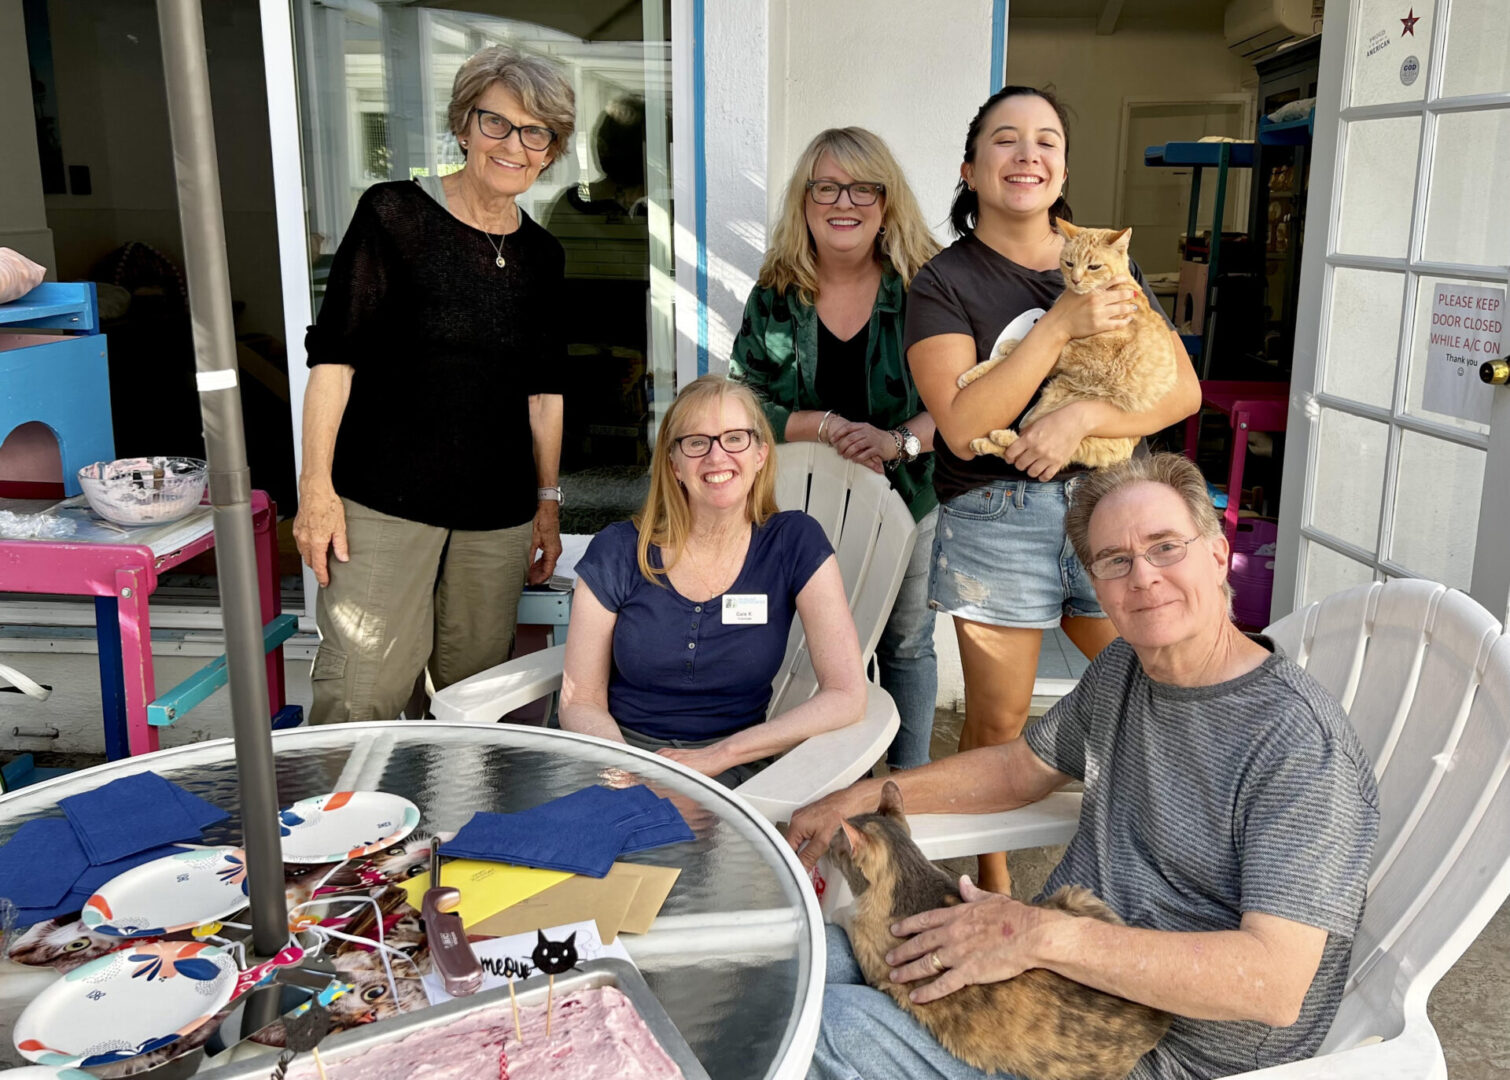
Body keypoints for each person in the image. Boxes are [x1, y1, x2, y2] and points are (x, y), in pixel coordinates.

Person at [790, 452, 1379, 1080]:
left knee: (828, 1026)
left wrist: (1039, 936)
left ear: (1216, 555)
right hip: (1049, 986)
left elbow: (1272, 983)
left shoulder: (1300, 749)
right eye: (1115, 561)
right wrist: (861, 797)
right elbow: (1019, 770)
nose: (1143, 577)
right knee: (803, 962)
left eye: (1165, 547)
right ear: (1095, 583)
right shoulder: (1126, 669)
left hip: (1148, 1053)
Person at [903, 86, 1201, 892]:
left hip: (1113, 505)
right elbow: (964, 426)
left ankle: (1152, 867)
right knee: (1001, 722)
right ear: (970, 168)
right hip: (997, 515)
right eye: (1005, 140)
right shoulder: (942, 283)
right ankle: (988, 886)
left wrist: (1087, 417)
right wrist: (1062, 324)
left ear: (1062, 166)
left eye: (1046, 141)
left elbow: (1182, 395)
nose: (1027, 154)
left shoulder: (1111, 263)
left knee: (1161, 689)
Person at [293, 46, 574, 724]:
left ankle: (448, 830)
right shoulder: (395, 216)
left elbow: (544, 394)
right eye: (496, 123)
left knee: (475, 706)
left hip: (497, 518)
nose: (514, 145)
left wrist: (547, 504)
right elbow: (334, 361)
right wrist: (315, 490)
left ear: (551, 151)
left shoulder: (543, 255)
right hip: (383, 503)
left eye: (535, 132)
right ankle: (341, 832)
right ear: (463, 124)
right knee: (362, 692)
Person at [730, 127, 942, 770]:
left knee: (905, 644)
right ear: (805, 198)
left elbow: (965, 398)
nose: (843, 202)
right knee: (807, 640)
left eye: (862, 187)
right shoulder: (777, 289)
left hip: (910, 491)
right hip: (801, 506)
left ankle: (905, 794)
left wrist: (897, 441)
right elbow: (741, 400)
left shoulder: (924, 286)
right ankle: (812, 777)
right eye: (826, 186)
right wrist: (819, 426)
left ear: (887, 200)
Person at [560, 375, 867, 788]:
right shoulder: (618, 550)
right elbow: (581, 701)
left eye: (735, 438)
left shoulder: (793, 541)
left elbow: (846, 694)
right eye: (697, 442)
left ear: (760, 453)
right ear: (674, 465)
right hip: (612, 752)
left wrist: (720, 755)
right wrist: (628, 771)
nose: (717, 456)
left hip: (734, 765)